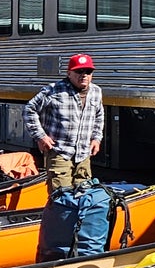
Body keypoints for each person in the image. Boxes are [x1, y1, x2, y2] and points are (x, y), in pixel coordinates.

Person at [24, 54, 103, 196]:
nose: (84, 75)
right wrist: (40, 136)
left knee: (84, 197)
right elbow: (29, 110)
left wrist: (96, 138)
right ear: (69, 73)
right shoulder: (53, 90)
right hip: (60, 153)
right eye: (79, 71)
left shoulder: (96, 92)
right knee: (61, 199)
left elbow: (99, 115)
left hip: (83, 155)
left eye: (88, 72)